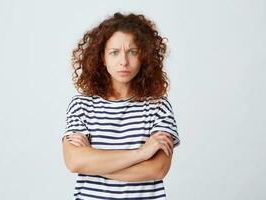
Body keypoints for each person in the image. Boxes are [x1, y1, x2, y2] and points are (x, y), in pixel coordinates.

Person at [62, 12, 180, 200]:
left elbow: (157, 169)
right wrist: (141, 153)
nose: (123, 61)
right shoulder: (81, 106)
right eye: (114, 52)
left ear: (144, 57)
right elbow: (74, 162)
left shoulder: (159, 106)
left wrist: (94, 162)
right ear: (102, 58)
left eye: (132, 52)